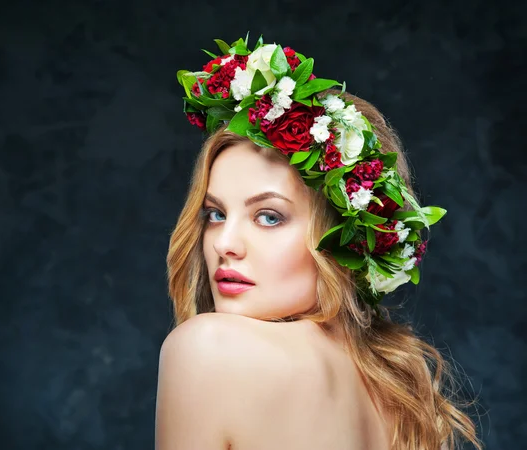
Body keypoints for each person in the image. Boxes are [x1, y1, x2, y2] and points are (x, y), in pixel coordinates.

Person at [155, 35, 481, 450]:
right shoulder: (390, 392)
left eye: (268, 217)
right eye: (216, 213)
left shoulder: (209, 348)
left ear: (343, 239)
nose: (225, 243)